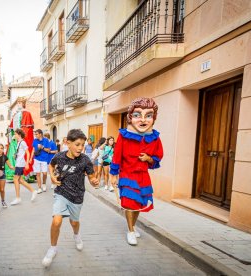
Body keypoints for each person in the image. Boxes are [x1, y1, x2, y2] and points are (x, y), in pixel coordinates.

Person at [42, 129, 99, 267]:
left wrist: (94, 181)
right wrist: (52, 176)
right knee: (56, 221)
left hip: (77, 196)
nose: (80, 148)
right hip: (61, 192)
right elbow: (51, 165)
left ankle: (76, 234)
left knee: (74, 222)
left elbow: (91, 177)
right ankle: (53, 248)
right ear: (68, 143)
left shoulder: (85, 160)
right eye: (77, 144)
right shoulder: (60, 156)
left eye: (82, 145)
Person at [110, 98, 164, 246]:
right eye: (137, 115)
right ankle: (130, 231)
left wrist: (148, 158)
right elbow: (117, 156)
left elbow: (157, 157)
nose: (143, 120)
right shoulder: (124, 135)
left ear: (153, 118)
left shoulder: (154, 138)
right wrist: (113, 175)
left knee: (139, 203)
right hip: (127, 174)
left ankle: (132, 226)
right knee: (129, 203)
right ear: (130, 117)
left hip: (143, 176)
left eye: (148, 115)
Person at [6, 97, 35, 181]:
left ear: (23, 103)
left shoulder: (27, 113)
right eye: (17, 102)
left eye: (20, 102)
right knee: (13, 154)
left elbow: (27, 129)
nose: (18, 104)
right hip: (15, 139)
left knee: (23, 155)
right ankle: (13, 174)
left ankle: (25, 175)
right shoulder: (15, 114)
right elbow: (11, 127)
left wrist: (21, 136)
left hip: (22, 139)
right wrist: (11, 134)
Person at [10, 128, 37, 205]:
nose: (14, 135)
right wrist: (16, 155)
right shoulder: (19, 142)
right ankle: (33, 191)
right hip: (18, 163)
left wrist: (27, 163)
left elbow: (27, 153)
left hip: (20, 163)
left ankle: (18, 198)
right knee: (20, 180)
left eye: (15, 134)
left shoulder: (22, 142)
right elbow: (20, 153)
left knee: (15, 179)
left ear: (19, 134)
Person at [32, 129, 50, 193]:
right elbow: (33, 149)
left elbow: (48, 150)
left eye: (36, 134)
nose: (35, 135)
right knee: (38, 173)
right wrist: (30, 158)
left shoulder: (46, 140)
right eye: (35, 134)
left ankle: (44, 183)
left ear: (40, 134)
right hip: (36, 158)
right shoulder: (35, 140)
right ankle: (39, 188)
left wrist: (42, 147)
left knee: (45, 173)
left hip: (44, 159)